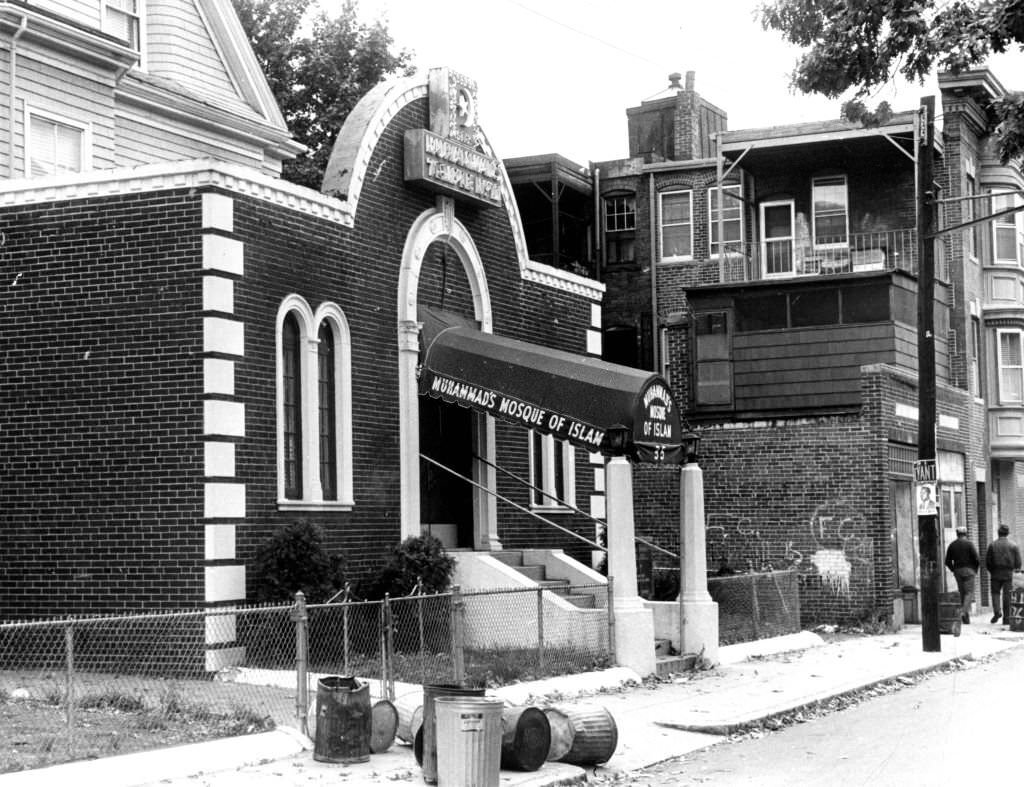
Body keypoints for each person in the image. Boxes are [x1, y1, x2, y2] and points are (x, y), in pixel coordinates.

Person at [985, 524, 1022, 624]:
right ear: (1007, 533)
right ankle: (1006, 618)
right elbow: (1018, 562)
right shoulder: (1013, 545)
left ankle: (997, 611)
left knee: (995, 593)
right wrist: (1016, 570)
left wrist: (992, 571)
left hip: (995, 573)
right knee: (1007, 596)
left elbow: (988, 562)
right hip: (1009, 574)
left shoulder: (992, 545)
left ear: (998, 533)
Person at [944, 525, 980, 623]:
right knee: (969, 593)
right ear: (966, 533)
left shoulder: (952, 545)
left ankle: (966, 619)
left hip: (958, 571)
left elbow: (947, 561)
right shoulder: (969, 544)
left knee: (962, 593)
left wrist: (953, 569)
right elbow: (977, 558)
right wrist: (975, 569)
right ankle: (963, 612)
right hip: (969, 571)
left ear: (957, 534)